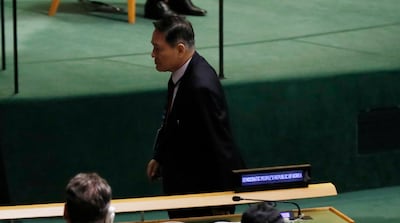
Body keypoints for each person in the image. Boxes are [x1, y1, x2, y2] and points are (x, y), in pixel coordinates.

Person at [146, 15, 245, 218]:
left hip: (201, 197)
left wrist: (220, 201)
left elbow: (219, 145)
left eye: (158, 49)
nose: (153, 54)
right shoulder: (180, 74)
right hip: (183, 186)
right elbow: (173, 120)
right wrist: (160, 155)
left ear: (180, 49)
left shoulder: (200, 87)